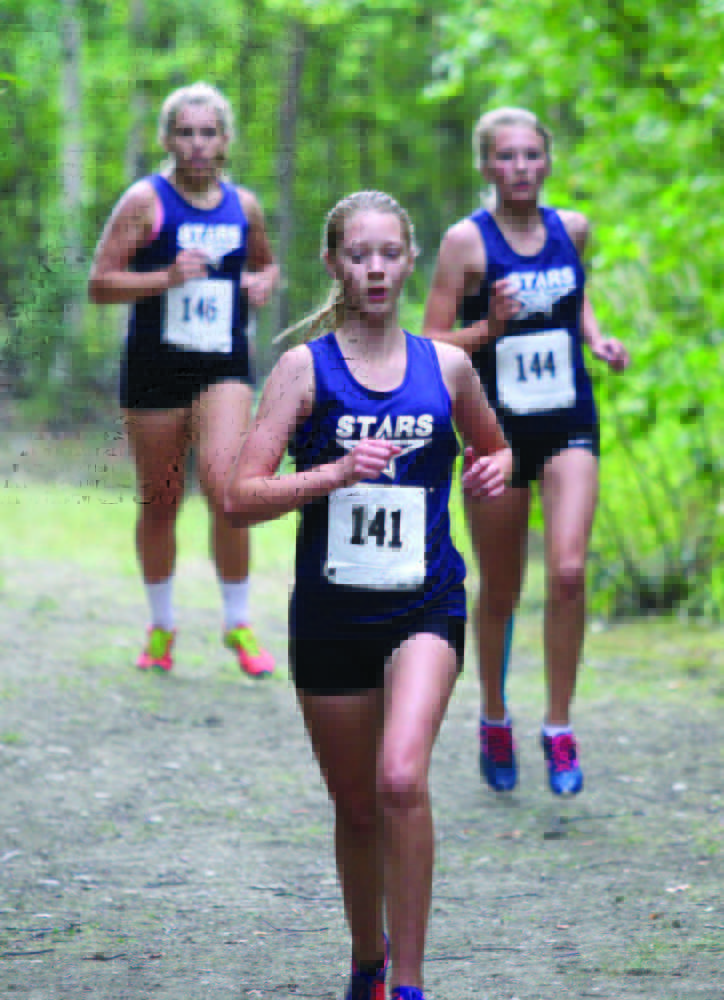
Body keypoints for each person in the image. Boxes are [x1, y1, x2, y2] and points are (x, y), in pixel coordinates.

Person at [225, 191, 512, 1000]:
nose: (376, 269)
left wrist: (492, 469)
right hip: (331, 615)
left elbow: (495, 451)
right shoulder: (303, 370)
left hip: (425, 604)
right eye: (360, 255)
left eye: (390, 253)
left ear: (410, 260)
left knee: (399, 780)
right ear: (334, 264)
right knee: (356, 809)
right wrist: (334, 473)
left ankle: (410, 983)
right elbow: (240, 496)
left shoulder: (446, 367)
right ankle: (367, 962)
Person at [423, 108, 629, 796]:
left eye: (531, 155)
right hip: (496, 430)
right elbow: (430, 342)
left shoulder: (572, 228)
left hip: (569, 419)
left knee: (568, 573)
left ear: (548, 161)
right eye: (506, 157)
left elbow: (576, 291)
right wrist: (489, 326)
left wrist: (596, 337)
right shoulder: (466, 242)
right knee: (503, 587)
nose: (520, 168)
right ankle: (494, 715)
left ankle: (559, 726)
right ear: (486, 166)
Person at [88, 82, 278, 676]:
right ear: (168, 139)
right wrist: (165, 278)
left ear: (225, 140)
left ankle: (238, 623)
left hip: (224, 365)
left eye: (208, 133)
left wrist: (263, 282)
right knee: (161, 501)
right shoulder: (146, 201)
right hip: (155, 367)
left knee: (228, 492)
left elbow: (265, 263)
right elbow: (100, 283)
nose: (197, 144)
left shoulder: (244, 206)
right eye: (186, 133)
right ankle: (162, 626)